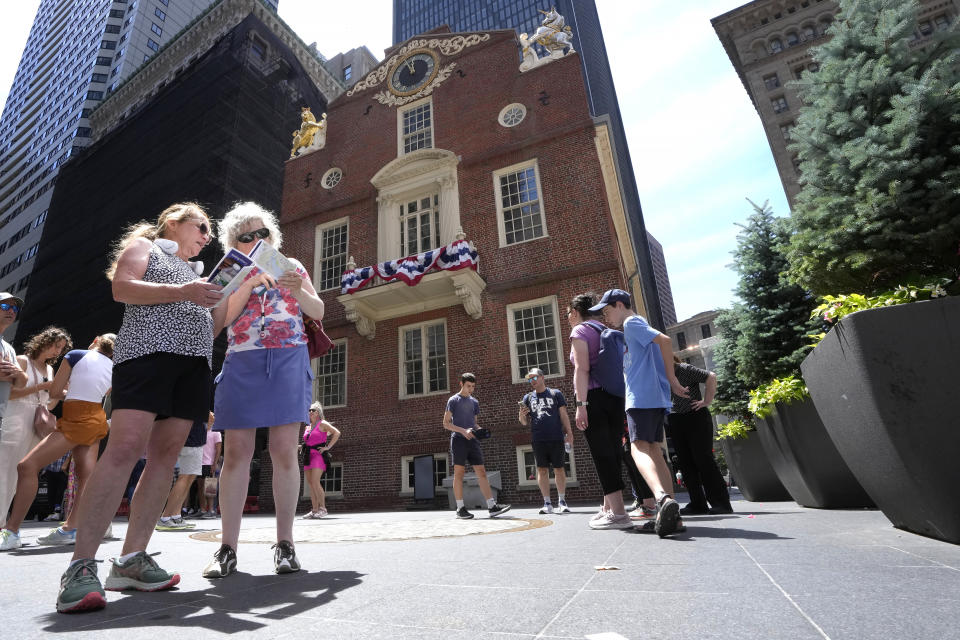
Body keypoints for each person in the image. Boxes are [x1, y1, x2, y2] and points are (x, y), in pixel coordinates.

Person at [54, 202, 222, 613]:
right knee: (125, 449)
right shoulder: (144, 248)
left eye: (210, 233)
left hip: (194, 365)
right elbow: (122, 288)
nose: (207, 236)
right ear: (175, 222)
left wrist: (243, 289)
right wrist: (182, 292)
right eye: (201, 226)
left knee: (165, 459)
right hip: (146, 355)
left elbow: (213, 325)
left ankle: (131, 561)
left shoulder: (200, 274)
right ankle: (80, 566)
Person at [203, 202, 324, 579]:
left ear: (272, 236)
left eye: (263, 234)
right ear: (233, 242)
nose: (257, 240)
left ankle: (285, 545)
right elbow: (215, 325)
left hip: (288, 357)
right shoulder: (226, 273)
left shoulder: (292, 265)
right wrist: (248, 283)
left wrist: (297, 290)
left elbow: (317, 311)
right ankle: (227, 549)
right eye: (247, 236)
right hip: (242, 359)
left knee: (285, 450)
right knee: (237, 453)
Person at [590, 289, 690, 538]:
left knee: (637, 448)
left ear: (621, 304)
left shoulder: (633, 322)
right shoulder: (634, 327)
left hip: (642, 397)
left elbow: (665, 341)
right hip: (653, 397)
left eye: (607, 310)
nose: (606, 316)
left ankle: (661, 498)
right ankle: (671, 516)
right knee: (654, 450)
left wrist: (672, 379)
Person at [1, 333, 114, 551]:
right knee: (85, 477)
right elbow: (98, 393)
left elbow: (53, 392)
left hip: (76, 419)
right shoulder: (113, 367)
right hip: (95, 419)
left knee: (27, 466)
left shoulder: (76, 355)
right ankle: (71, 528)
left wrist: (66, 390)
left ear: (96, 341)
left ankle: (12, 530)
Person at [565, 293, 632, 530]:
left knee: (602, 455)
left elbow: (582, 370)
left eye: (568, 314)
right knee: (613, 451)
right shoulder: (603, 329)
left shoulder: (580, 331)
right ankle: (608, 508)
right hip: (616, 396)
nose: (568, 318)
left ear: (575, 312)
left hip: (594, 397)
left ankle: (619, 514)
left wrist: (581, 405)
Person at [0, 326, 71, 529]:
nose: (57, 351)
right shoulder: (22, 360)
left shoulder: (50, 370)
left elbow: (48, 403)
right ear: (44, 342)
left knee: (21, 473)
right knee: (5, 470)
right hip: (17, 416)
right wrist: (42, 387)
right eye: (56, 346)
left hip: (36, 421)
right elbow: (10, 394)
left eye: (61, 348)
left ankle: (5, 522)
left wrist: (57, 395)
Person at [666, 356, 732, 515]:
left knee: (703, 459)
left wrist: (706, 401)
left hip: (696, 415)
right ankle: (697, 503)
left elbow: (711, 376)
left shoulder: (683, 369)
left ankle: (721, 503)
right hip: (675, 419)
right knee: (685, 463)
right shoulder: (661, 374)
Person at [443, 372, 511, 520]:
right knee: (459, 474)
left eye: (473, 386)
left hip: (473, 440)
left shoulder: (474, 402)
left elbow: (473, 423)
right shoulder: (453, 400)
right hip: (458, 440)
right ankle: (460, 508)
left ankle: (492, 506)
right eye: (468, 386)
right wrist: (462, 431)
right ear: (461, 384)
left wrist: (478, 430)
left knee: (481, 471)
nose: (471, 389)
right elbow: (446, 423)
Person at [518, 368, 574, 514]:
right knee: (541, 470)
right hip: (538, 439)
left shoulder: (556, 394)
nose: (532, 381)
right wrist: (522, 415)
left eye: (534, 378)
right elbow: (523, 422)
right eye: (529, 379)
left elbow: (563, 414)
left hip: (556, 437)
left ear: (542, 377)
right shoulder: (528, 398)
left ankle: (562, 501)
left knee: (559, 469)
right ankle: (547, 503)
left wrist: (569, 433)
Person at [155, 419, 208, 530]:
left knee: (189, 477)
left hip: (194, 438)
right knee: (185, 477)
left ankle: (175, 515)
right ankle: (165, 517)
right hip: (191, 439)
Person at [301, 402, 340, 519]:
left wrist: (327, 447)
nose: (310, 412)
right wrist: (299, 447)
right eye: (309, 410)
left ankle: (323, 509)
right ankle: (314, 510)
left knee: (315, 481)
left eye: (313, 410)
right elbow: (307, 442)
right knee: (311, 484)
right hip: (308, 456)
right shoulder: (307, 427)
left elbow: (337, 433)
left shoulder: (322, 423)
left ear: (318, 412)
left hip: (318, 455)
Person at [0, 292, 29, 427]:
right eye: (5, 306)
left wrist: (18, 375)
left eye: (15, 308)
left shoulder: (9, 348)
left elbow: (21, 382)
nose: (11, 311)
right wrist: (15, 376)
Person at [197, 418, 221, 518]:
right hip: (199, 463)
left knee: (210, 488)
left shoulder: (216, 432)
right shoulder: (201, 432)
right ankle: (202, 510)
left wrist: (214, 463)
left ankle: (211, 510)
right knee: (200, 487)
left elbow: (218, 449)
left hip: (209, 463)